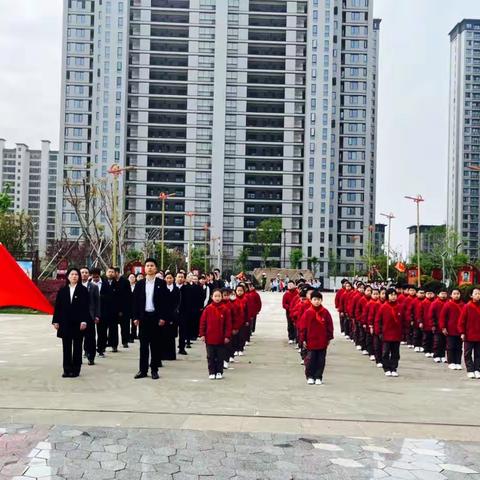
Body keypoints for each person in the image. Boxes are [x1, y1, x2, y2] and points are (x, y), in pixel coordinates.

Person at [52, 268, 90, 378]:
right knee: (66, 347)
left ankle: (76, 369)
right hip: (65, 322)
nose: (74, 276)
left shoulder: (83, 290)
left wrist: (84, 321)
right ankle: (67, 369)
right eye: (72, 274)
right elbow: (58, 307)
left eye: (76, 274)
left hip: (78, 323)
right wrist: (56, 321)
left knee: (77, 346)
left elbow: (85, 307)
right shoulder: (62, 290)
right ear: (68, 277)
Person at [132, 258, 164, 379]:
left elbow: (165, 303)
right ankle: (142, 370)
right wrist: (135, 317)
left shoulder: (161, 284)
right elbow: (134, 302)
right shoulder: (140, 284)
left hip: (156, 317)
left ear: (155, 268)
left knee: (155, 345)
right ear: (144, 268)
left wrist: (162, 317)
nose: (149, 267)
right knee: (143, 346)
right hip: (143, 317)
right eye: (147, 266)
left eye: (152, 265)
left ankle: (154, 370)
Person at [300, 291, 334, 385]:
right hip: (311, 341)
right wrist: (303, 339)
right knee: (310, 360)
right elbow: (303, 327)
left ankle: (318, 376)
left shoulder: (325, 312)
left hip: (322, 341)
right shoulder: (308, 313)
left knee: (321, 360)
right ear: (310, 300)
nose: (316, 301)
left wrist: (329, 337)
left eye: (318, 300)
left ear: (321, 300)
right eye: (314, 299)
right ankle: (310, 376)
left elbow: (329, 326)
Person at [199, 289, 232, 379]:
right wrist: (202, 334)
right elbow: (203, 322)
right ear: (212, 297)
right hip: (209, 338)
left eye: (219, 296)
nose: (217, 298)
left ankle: (219, 372)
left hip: (221, 339)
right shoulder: (208, 309)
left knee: (220, 356)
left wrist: (227, 336)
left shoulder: (225, 309)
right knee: (210, 356)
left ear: (221, 297)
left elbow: (228, 324)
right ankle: (211, 372)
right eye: (215, 296)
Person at [375, 288, 405, 377]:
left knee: (395, 353)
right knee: (385, 352)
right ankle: (387, 368)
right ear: (388, 296)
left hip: (397, 334)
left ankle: (394, 368)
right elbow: (378, 320)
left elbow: (404, 321)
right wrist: (379, 332)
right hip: (386, 334)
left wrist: (404, 332)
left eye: (395, 295)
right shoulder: (383, 307)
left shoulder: (400, 307)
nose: (393, 297)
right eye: (391, 295)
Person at [90, 268, 114, 357]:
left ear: (99, 275)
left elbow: (110, 297)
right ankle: (88, 350)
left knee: (102, 332)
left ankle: (101, 349)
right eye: (93, 277)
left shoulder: (106, 283)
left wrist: (101, 297)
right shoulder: (89, 283)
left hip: (103, 311)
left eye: (96, 277)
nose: (95, 279)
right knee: (90, 333)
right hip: (91, 311)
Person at [439, 288, 464, 370]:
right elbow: (442, 317)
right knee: (451, 346)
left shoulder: (463, 305)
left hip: (460, 330)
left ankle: (458, 362)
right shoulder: (447, 305)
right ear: (451, 295)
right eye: (454, 293)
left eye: (458, 294)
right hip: (450, 330)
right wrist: (443, 327)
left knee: (459, 347)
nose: (456, 295)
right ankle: (451, 362)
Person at [80, 267, 101, 365]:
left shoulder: (93, 286)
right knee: (78, 338)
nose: (84, 274)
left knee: (90, 338)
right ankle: (78, 357)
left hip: (90, 315)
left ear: (89, 275)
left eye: (86, 272)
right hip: (78, 316)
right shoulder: (75, 285)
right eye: (82, 272)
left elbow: (97, 302)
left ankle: (91, 357)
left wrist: (97, 315)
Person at [458, 288, 480, 379]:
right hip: (469, 334)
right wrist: (462, 332)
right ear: (471, 295)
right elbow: (461, 321)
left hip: (479, 335)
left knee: (478, 354)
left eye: (479, 293)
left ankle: (477, 370)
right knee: (468, 353)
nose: (478, 295)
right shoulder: (467, 306)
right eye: (476, 293)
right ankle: (470, 370)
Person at [159, 271, 180, 361]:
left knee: (171, 336)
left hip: (173, 315)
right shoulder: (162, 289)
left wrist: (174, 312)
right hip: (163, 315)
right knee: (163, 336)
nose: (169, 280)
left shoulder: (176, 290)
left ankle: (171, 355)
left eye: (170, 278)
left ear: (173, 279)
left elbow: (178, 302)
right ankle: (163, 355)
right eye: (167, 278)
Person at [430, 288, 449, 363]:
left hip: (446, 326)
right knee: (437, 341)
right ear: (438, 295)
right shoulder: (435, 303)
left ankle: (442, 355)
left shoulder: (448, 302)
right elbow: (431, 315)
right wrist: (433, 324)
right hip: (437, 326)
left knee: (445, 342)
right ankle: (436, 355)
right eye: (442, 293)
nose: (443, 295)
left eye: (445, 294)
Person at [128, 273, 138, 342]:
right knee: (127, 322)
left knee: (134, 321)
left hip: (135, 306)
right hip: (128, 307)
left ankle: (134, 335)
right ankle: (128, 336)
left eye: (133, 277)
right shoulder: (126, 286)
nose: (132, 278)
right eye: (130, 277)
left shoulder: (137, 286)